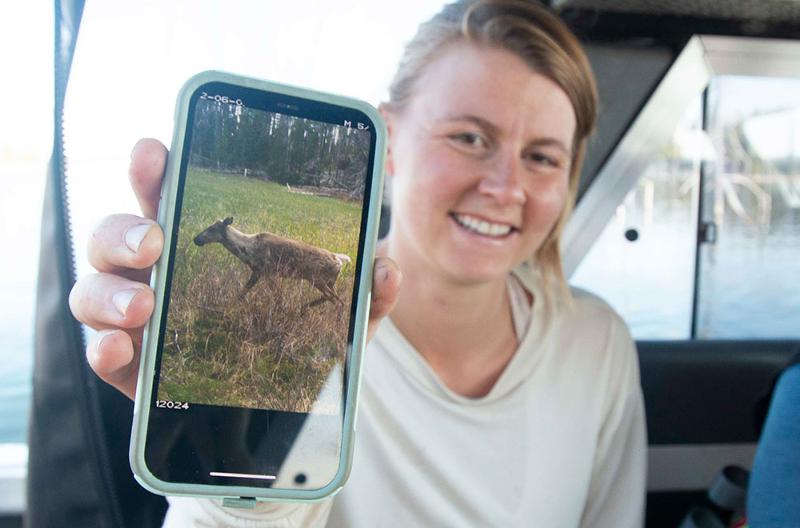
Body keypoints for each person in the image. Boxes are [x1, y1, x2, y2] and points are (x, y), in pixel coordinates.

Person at [69, 0, 647, 526]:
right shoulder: (306, 333)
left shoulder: (595, 343)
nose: (504, 186)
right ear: (389, 140)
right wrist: (224, 467)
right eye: (470, 138)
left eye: (542, 156)